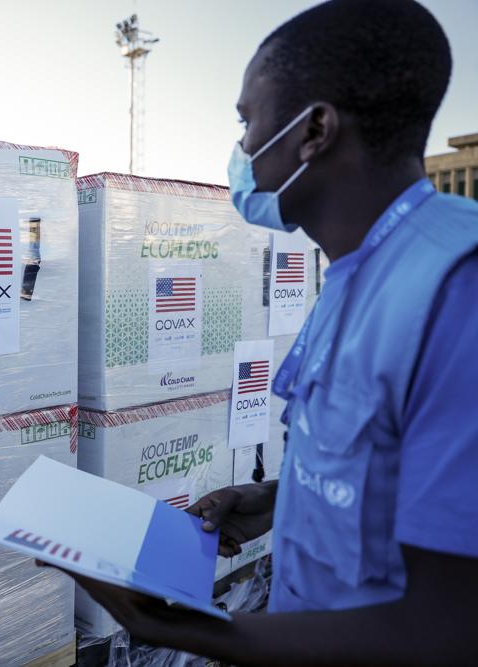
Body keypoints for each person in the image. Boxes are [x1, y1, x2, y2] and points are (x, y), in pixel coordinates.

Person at [60, 0, 478, 663]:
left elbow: (450, 629)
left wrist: (183, 628)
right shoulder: (354, 271)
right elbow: (392, 478)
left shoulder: (456, 293)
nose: (243, 148)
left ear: (313, 130)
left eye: (246, 121)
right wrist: (279, 501)